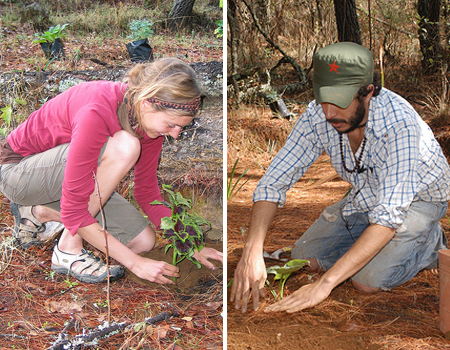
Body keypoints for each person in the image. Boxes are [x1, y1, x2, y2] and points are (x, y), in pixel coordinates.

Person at [230, 42, 450, 313]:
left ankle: (429, 242)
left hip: (420, 198)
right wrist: (251, 250)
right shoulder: (317, 115)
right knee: (304, 256)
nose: (329, 113)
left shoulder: (399, 127)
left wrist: (324, 284)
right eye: (324, 100)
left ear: (368, 93)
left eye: (340, 102)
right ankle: (376, 242)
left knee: (367, 280)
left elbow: (388, 217)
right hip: (369, 195)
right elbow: (274, 181)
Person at [0, 58, 223, 284]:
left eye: (181, 128)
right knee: (125, 146)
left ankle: (40, 211)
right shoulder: (97, 111)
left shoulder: (147, 124)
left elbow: (147, 193)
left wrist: (189, 245)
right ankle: (68, 250)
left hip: (59, 182)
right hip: (18, 173)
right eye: (171, 125)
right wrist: (135, 263)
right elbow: (75, 210)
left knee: (144, 241)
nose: (175, 134)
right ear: (146, 103)